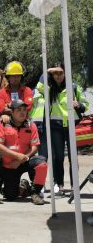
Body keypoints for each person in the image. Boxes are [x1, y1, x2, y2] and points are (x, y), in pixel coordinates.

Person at [36, 63, 88, 196]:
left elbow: (85, 106)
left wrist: (79, 105)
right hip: (55, 126)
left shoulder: (74, 87)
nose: (58, 76)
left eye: (61, 73)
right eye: (55, 73)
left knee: (73, 157)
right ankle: (59, 185)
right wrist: (48, 71)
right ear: (52, 74)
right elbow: (39, 86)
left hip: (72, 125)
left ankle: (74, 185)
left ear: (65, 73)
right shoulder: (48, 88)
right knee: (58, 157)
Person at [0, 99, 48, 205]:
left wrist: (21, 159)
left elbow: (34, 147)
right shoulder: (2, 124)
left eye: (24, 109)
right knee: (10, 196)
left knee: (42, 163)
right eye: (19, 110)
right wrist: (16, 156)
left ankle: (35, 192)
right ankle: (24, 186)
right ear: (12, 112)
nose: (23, 112)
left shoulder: (31, 125)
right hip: (9, 165)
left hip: (25, 161)